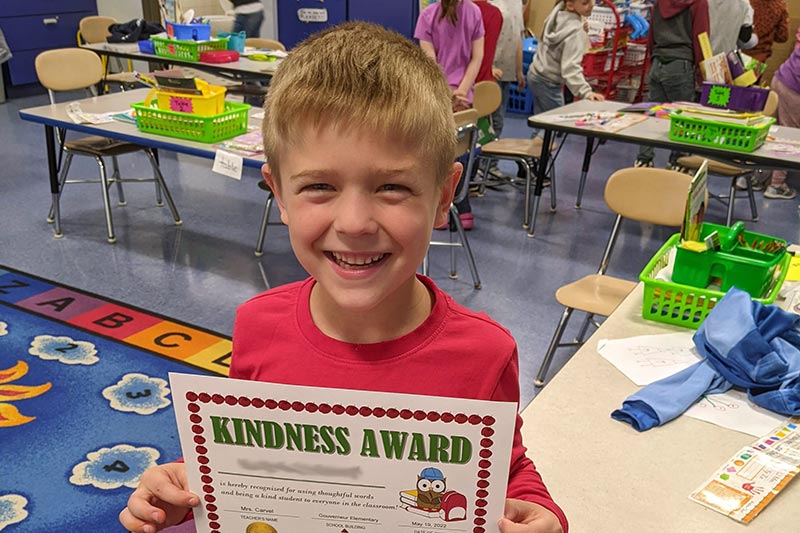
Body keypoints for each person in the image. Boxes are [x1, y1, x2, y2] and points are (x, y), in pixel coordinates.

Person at [118, 21, 568, 533]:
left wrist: (542, 514)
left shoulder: (484, 353)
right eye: (320, 186)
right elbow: (244, 463)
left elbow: (505, 473)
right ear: (279, 194)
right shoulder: (257, 325)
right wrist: (185, 489)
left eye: (392, 187)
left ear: (444, 197)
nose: (354, 223)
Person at [415, 0, 485, 229]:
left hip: (439, 96)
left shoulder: (427, 15)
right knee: (465, 148)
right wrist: (463, 90)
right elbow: (477, 57)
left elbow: (430, 63)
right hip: (464, 99)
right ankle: (462, 206)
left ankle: (440, 207)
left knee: (437, 151)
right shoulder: (474, 11)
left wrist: (447, 94)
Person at [633, 0, 709, 168]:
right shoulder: (699, 3)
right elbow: (700, 37)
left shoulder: (660, 2)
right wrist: (701, 71)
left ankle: (644, 159)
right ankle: (678, 162)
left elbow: (651, 33)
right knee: (683, 117)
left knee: (653, 113)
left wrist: (654, 58)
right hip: (681, 63)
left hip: (658, 60)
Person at [527, 0, 605, 139]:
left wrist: (582, 24)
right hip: (549, 82)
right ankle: (539, 156)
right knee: (554, 125)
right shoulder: (575, 31)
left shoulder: (558, 11)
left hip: (536, 73)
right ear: (570, 5)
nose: (591, 5)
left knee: (541, 123)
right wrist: (586, 92)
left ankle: (536, 157)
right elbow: (570, 67)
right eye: (585, 3)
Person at [763, 25, 800, 200]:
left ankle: (755, 177)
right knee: (789, 137)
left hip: (782, 76)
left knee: (771, 132)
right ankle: (776, 185)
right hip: (794, 88)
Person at [490, 0, 527, 140]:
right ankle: (484, 161)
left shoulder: (516, 3)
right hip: (492, 71)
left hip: (507, 71)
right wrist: (488, 67)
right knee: (491, 121)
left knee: (498, 121)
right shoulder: (490, 3)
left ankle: (489, 161)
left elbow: (517, 36)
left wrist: (519, 71)